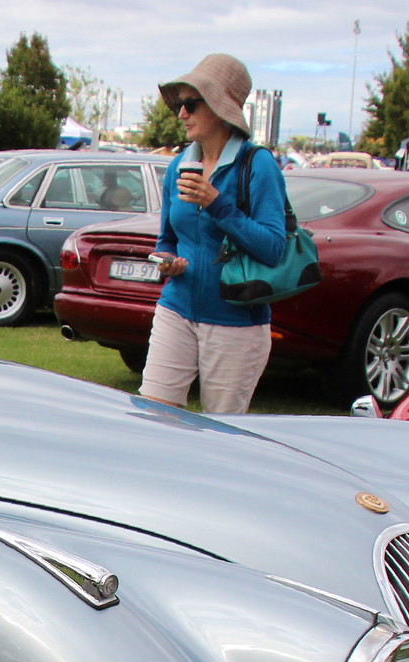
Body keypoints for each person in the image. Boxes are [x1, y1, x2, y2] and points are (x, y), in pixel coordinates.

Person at [139, 53, 288, 416]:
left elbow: (273, 248)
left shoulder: (258, 165)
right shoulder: (179, 165)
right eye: (179, 104)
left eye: (190, 104)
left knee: (219, 437)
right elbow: (167, 239)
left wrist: (218, 204)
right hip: (176, 309)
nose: (181, 114)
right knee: (152, 419)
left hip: (236, 324)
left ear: (220, 109)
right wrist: (167, 262)